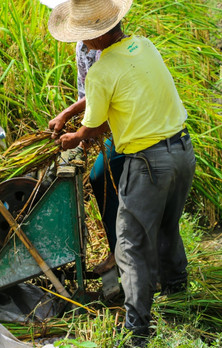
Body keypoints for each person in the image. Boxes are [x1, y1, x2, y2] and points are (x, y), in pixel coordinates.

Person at [47, 0, 196, 348]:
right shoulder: (144, 45)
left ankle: (137, 337)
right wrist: (73, 114)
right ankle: (179, 302)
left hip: (148, 165)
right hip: (182, 152)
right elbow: (119, 93)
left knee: (129, 247)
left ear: (97, 37)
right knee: (166, 227)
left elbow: (93, 129)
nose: (83, 45)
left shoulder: (100, 72)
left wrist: (72, 136)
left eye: (85, 38)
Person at [49, 40, 124, 275]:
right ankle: (121, 249)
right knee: (102, 181)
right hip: (102, 123)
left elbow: (103, 92)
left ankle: (122, 254)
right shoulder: (82, 46)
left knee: (101, 178)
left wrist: (72, 117)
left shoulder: (109, 45)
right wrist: (81, 131)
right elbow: (87, 92)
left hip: (123, 124)